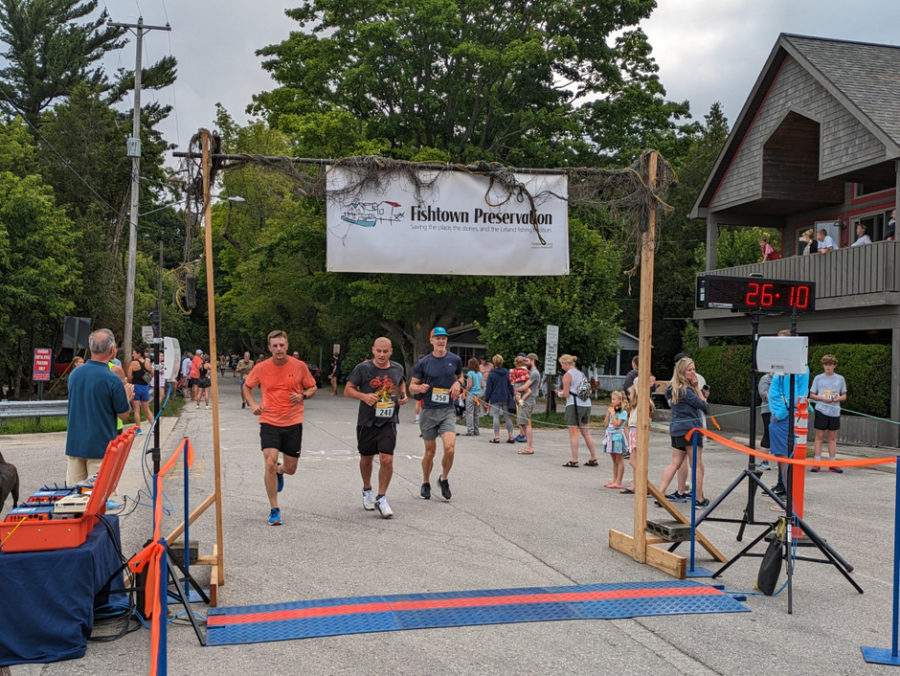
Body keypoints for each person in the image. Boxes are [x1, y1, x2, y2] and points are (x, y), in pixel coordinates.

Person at [242, 330, 318, 526]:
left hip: (293, 421)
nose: (279, 349)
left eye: (281, 345)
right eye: (275, 346)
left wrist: (302, 396)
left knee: (291, 468)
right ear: (269, 348)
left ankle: (280, 471)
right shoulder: (261, 368)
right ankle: (274, 509)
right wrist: (253, 404)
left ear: (287, 346)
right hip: (269, 420)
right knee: (269, 462)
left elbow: (312, 387)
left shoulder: (299, 366)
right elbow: (247, 386)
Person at [344, 337, 408, 518]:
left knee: (387, 459)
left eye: (385, 351)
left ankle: (382, 497)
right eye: (378, 351)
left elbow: (401, 382)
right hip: (367, 421)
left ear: (391, 352)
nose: (381, 355)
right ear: (373, 350)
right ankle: (367, 490)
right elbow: (348, 389)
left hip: (388, 420)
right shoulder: (363, 368)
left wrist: (403, 395)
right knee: (366, 459)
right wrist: (364, 396)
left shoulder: (397, 368)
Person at [65, 329, 134, 485]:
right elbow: (123, 415)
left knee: (74, 494)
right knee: (99, 494)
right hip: (100, 447)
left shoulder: (75, 374)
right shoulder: (113, 379)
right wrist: (127, 398)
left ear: (90, 348)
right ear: (111, 350)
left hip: (75, 445)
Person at [409, 327, 462, 501]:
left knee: (450, 448)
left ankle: (444, 478)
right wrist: (419, 388)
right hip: (429, 411)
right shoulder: (424, 363)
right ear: (431, 340)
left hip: (447, 410)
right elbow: (411, 387)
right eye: (438, 338)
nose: (441, 341)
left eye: (443, 338)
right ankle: (425, 482)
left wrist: (457, 384)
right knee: (430, 452)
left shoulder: (455, 359)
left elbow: (461, 377)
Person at [657, 357, 709, 506]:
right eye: (689, 370)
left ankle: (660, 494)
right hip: (691, 430)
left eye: (694, 369)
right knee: (697, 465)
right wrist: (697, 388)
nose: (693, 372)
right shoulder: (687, 390)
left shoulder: (671, 388)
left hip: (677, 429)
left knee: (674, 463)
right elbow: (704, 406)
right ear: (682, 372)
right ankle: (698, 499)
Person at [767, 330, 810, 509]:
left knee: (786, 459)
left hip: (785, 417)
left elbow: (795, 396)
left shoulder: (796, 367)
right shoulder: (784, 366)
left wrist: (780, 414)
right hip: (781, 416)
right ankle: (789, 496)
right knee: (782, 458)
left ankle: (791, 500)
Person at [556, 354, 598, 467]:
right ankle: (593, 457)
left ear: (565, 363)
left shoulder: (567, 375)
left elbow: (566, 394)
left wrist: (559, 393)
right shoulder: (581, 374)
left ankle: (574, 460)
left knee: (573, 433)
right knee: (586, 433)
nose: (561, 367)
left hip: (574, 405)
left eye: (561, 364)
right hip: (586, 404)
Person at [809, 354, 847, 473]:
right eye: (826, 364)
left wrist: (838, 398)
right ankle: (817, 462)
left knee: (832, 437)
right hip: (821, 410)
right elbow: (811, 395)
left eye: (830, 364)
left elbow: (844, 395)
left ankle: (832, 463)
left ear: (834, 365)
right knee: (819, 436)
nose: (828, 367)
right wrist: (822, 398)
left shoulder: (840, 379)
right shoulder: (818, 378)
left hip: (834, 411)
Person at [482, 354, 516, 444]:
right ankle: (511, 436)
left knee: (496, 416)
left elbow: (489, 389)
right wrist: (512, 396)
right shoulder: (507, 373)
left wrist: (486, 400)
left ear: (494, 363)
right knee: (507, 417)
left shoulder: (492, 374)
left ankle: (497, 437)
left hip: (495, 397)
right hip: (505, 397)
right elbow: (510, 386)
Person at [515, 353, 541, 454]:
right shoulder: (529, 372)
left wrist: (515, 388)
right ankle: (528, 446)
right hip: (524, 400)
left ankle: (529, 447)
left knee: (526, 424)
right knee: (522, 423)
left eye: (527, 360)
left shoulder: (535, 373)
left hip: (528, 401)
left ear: (532, 360)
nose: (525, 362)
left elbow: (525, 387)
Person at [602, 390, 628, 489]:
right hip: (610, 436)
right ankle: (614, 479)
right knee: (614, 459)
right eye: (611, 399)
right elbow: (605, 424)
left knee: (619, 459)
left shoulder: (623, 412)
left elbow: (617, 425)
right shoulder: (613, 411)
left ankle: (619, 481)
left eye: (614, 399)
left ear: (620, 400)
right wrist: (608, 414)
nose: (612, 401)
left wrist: (613, 414)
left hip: (618, 437)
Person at [127, 346, 153, 434]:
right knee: (147, 409)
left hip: (136, 387)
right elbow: (152, 374)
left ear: (139, 354)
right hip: (145, 387)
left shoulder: (133, 363)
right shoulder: (147, 363)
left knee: (136, 410)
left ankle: (138, 429)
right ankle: (154, 427)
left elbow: (129, 377)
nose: (132, 355)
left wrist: (131, 381)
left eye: (134, 353)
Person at [758, 371, 773, 470]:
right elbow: (764, 394)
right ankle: (764, 460)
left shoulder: (782, 379)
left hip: (778, 411)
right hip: (767, 410)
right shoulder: (765, 379)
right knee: (767, 433)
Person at [463, 357, 483, 436]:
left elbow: (470, 384)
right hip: (478, 395)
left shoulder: (470, 373)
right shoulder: (479, 374)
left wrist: (465, 390)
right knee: (476, 414)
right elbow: (482, 385)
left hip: (471, 394)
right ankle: (476, 430)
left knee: (469, 413)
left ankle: (470, 430)